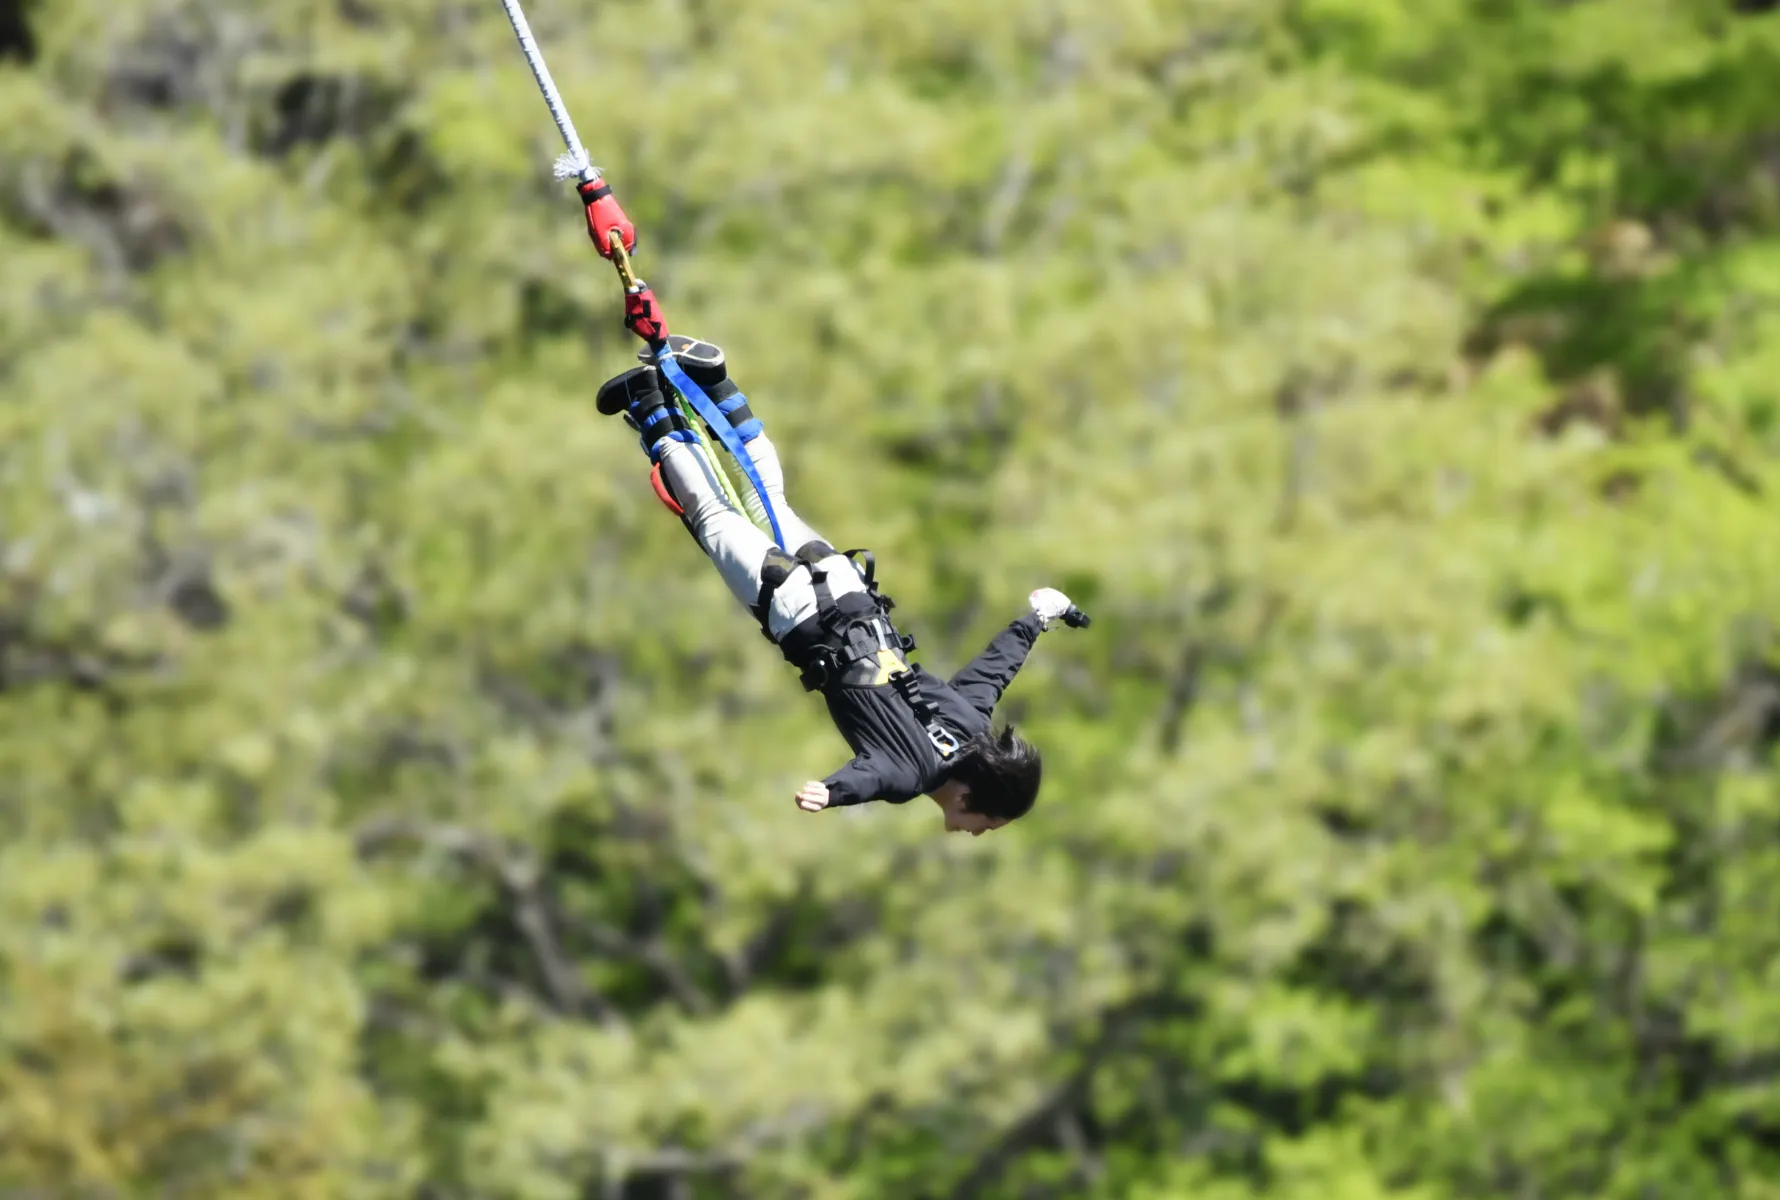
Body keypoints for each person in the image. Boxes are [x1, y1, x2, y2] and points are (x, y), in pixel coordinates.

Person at [596, 336, 1082, 834]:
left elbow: (994, 671)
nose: (974, 833)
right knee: (711, 517)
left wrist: (1039, 617)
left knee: (771, 505)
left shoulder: (973, 723)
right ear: (971, 797)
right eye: (985, 824)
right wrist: (828, 793)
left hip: (852, 591)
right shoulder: (912, 776)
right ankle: (648, 401)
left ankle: (716, 382)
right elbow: (869, 777)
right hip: (798, 613)